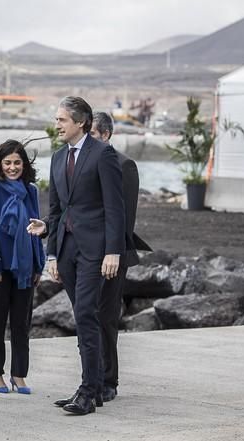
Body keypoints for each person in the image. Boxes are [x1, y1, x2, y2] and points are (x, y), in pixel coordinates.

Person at [27, 96, 124, 415]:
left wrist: (113, 250)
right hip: (66, 250)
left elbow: (114, 207)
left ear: (80, 122)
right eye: (56, 119)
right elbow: (55, 210)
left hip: (96, 250)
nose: (56, 125)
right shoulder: (57, 158)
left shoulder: (103, 154)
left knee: (85, 313)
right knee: (86, 316)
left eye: (62, 120)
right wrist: (51, 253)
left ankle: (87, 389)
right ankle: (94, 387)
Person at [89, 111, 151, 402]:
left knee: (106, 317)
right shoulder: (80, 162)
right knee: (89, 316)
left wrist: (109, 253)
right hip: (85, 255)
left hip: (113, 254)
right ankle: (90, 378)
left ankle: (108, 380)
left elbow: (124, 217)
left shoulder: (125, 165)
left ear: (106, 135)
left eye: (91, 134)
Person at [0, 140, 45, 395]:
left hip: (25, 266)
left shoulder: (30, 191)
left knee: (22, 323)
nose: (12, 167)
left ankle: (19, 375)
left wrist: (38, 265)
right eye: (7, 162)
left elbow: (36, 228)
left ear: (24, 164)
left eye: (17, 163)